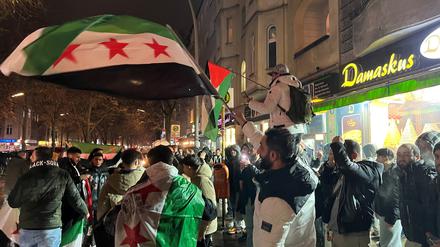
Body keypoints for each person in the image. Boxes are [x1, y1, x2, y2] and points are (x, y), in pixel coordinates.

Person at [234, 111, 318, 246]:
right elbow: (259, 138)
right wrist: (243, 122)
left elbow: (269, 244)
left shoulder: (277, 198)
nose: (257, 151)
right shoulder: (298, 164)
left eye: (261, 147)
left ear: (273, 156)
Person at [114, 145, 216, 247]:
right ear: (172, 161)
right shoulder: (190, 191)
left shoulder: (133, 194)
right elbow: (210, 212)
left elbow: (114, 223)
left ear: (149, 163)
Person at [8, 147, 88, 247]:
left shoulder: (26, 176)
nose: (30, 158)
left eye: (32, 156)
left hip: (28, 228)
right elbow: (75, 199)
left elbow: (13, 202)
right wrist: (85, 212)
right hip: (51, 229)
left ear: (36, 157)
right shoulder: (62, 174)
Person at [323, 137, 383, 247]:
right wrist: (330, 165)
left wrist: (337, 145)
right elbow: (326, 183)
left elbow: (347, 166)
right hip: (338, 229)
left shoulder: (369, 170)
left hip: (353, 231)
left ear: (354, 156)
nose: (337, 160)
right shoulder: (343, 171)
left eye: (339, 156)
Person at [245, 63, 306, 135]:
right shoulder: (296, 85)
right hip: (298, 128)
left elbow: (266, 108)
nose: (271, 77)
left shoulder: (277, 87)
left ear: (277, 74)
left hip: (283, 129)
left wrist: (251, 102)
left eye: (273, 75)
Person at [397, 143, 437, 247]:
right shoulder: (403, 175)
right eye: (399, 155)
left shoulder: (424, 173)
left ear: (417, 157)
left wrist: (430, 234)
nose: (401, 158)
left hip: (427, 239)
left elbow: (431, 207)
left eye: (406, 154)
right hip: (412, 236)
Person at [96, 149, 144, 220]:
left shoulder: (113, 178)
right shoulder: (140, 177)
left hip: (106, 220)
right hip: (122, 222)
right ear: (136, 162)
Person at [182, 154, 218, 247]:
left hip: (205, 227)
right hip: (201, 226)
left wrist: (202, 231)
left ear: (189, 167)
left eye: (184, 167)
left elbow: (209, 209)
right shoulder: (195, 178)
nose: (183, 170)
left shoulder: (202, 181)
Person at [374, 148, 402, 247]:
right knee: (387, 242)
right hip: (385, 213)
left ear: (386, 158)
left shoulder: (394, 172)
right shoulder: (383, 171)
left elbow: (396, 196)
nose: (376, 159)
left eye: (378, 157)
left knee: (390, 243)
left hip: (391, 215)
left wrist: (392, 217)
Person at [237, 143, 260, 247]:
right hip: (247, 198)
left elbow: (260, 177)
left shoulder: (258, 163)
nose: (243, 152)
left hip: (255, 198)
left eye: (245, 150)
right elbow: (241, 182)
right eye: (242, 150)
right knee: (249, 227)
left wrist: (250, 165)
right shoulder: (243, 165)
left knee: (254, 228)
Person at [224, 144, 242, 233]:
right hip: (231, 187)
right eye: (231, 151)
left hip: (238, 187)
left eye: (234, 150)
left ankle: (238, 226)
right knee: (233, 205)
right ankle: (236, 225)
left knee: (237, 207)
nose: (232, 152)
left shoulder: (240, 161)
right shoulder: (229, 161)